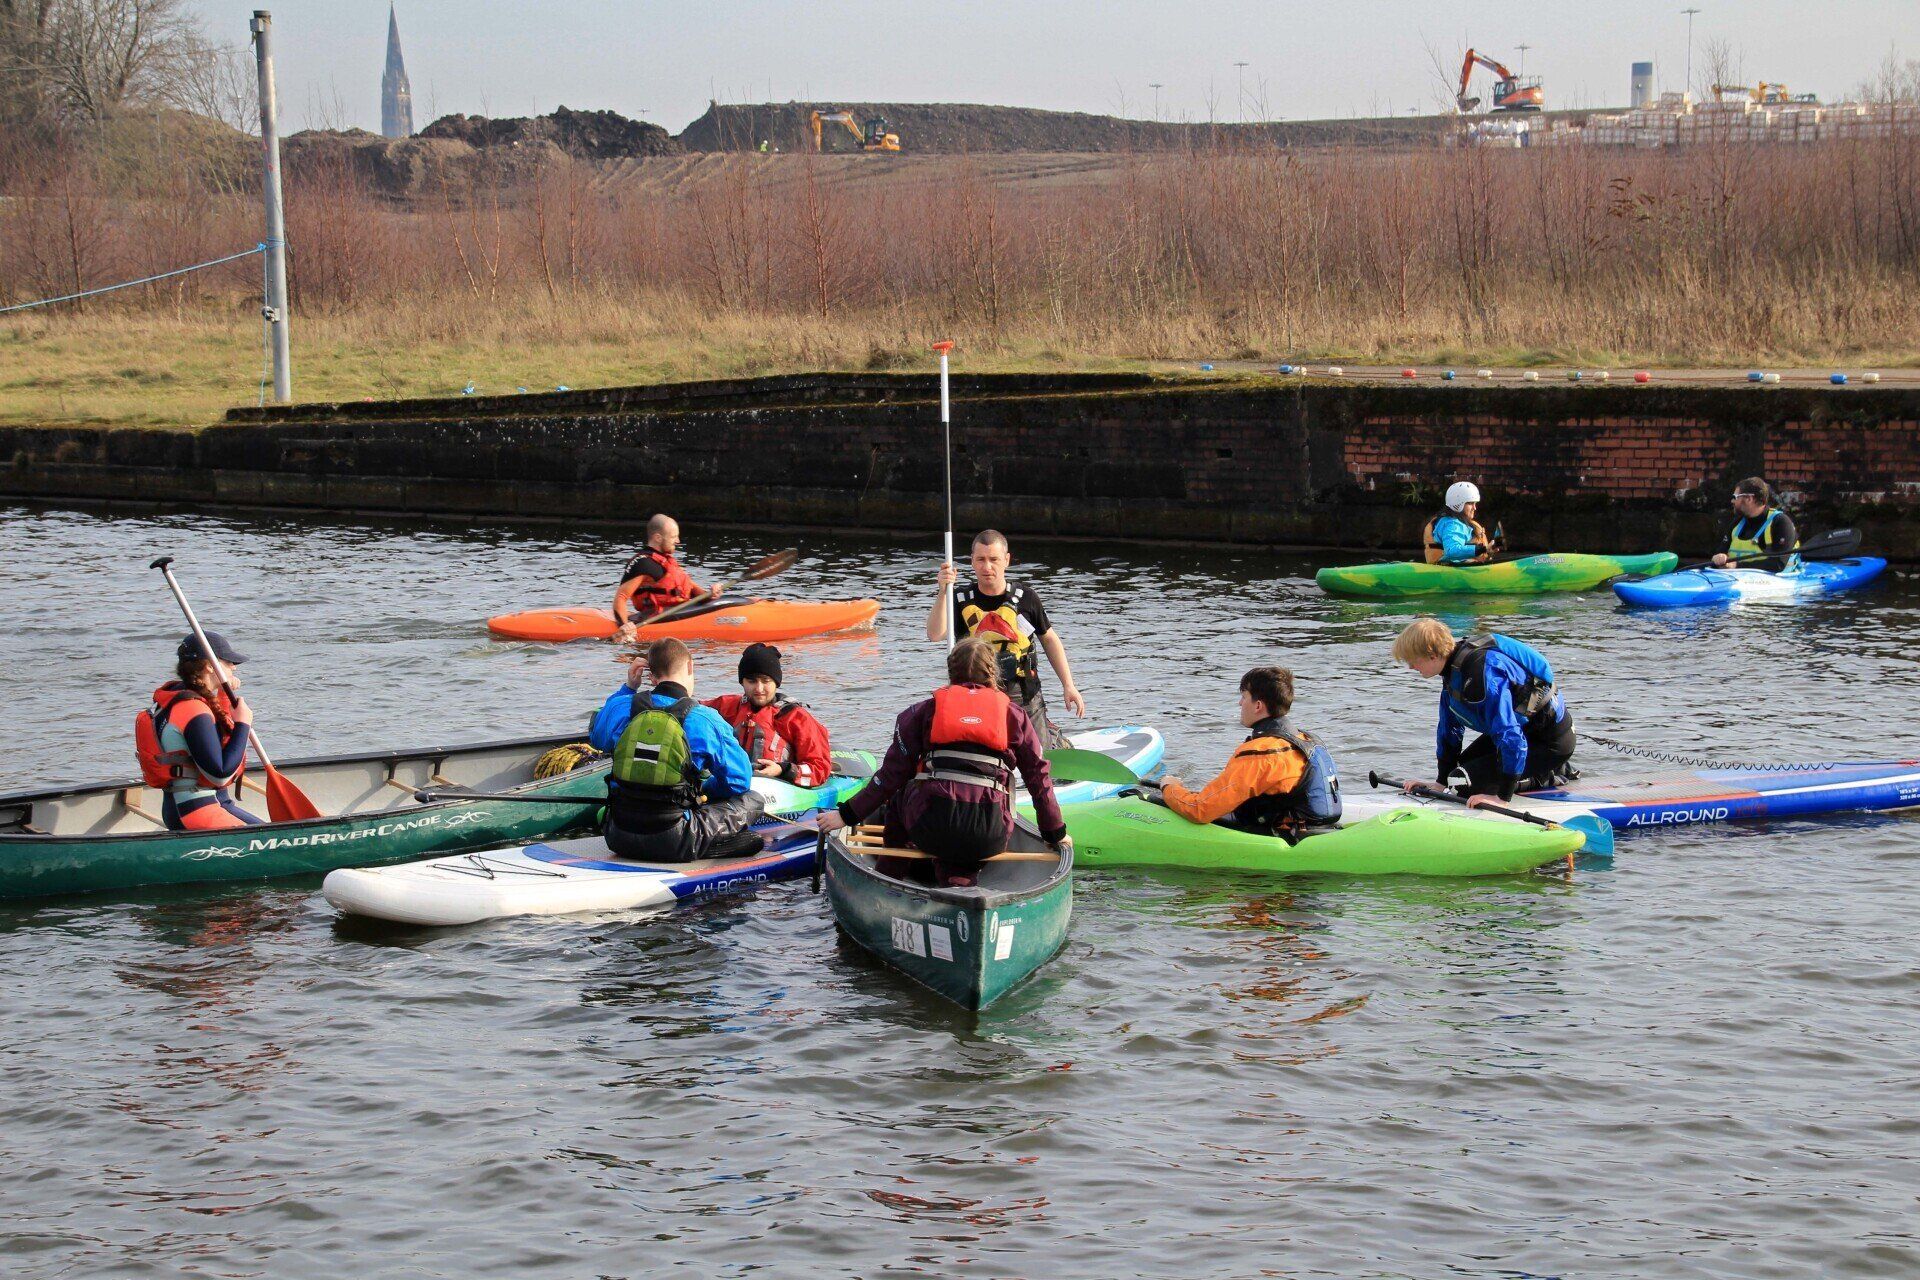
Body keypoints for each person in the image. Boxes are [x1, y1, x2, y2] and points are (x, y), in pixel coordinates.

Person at [817, 638, 1068, 888]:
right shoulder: (1015, 716)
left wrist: (847, 815)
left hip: (930, 828)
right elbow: (1038, 778)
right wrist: (1054, 832)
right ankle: (959, 880)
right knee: (968, 821)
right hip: (990, 833)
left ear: (951, 673)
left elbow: (891, 775)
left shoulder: (923, 711)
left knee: (900, 793)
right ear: (993, 673)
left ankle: (888, 875)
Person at [588, 638, 765, 862]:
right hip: (674, 840)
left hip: (616, 835)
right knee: (754, 799)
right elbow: (739, 781)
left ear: (650, 675)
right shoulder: (704, 718)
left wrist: (629, 688)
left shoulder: (621, 706)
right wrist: (702, 791)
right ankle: (701, 847)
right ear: (690, 667)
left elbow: (596, 736)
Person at [925, 529, 1085, 749]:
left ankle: (1053, 738)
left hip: (1023, 692)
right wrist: (943, 592)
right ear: (971, 561)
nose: (987, 567)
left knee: (1038, 755)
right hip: (976, 694)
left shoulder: (1026, 598)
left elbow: (1049, 639)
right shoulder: (958, 599)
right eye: (980, 559)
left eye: (994, 559)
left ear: (1006, 560)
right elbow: (935, 634)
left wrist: (1069, 686)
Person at [1393, 617, 1577, 805]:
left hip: (1549, 742)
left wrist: (1502, 797)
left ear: (1432, 654)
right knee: (1454, 775)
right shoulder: (1453, 669)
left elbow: (1510, 734)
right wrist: (1440, 782)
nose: (1411, 666)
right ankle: (1532, 770)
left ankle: (1547, 775)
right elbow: (1449, 730)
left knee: (1461, 782)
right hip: (1525, 732)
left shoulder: (1481, 674)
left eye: (1413, 660)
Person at [1157, 667, 1343, 841]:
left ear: (1258, 706)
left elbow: (1199, 809)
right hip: (1317, 829)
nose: (1240, 703)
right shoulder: (1309, 740)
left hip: (1283, 837)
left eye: (1244, 697)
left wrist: (1169, 787)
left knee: (1157, 803)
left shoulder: (1262, 752)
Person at [135, 632, 263, 831]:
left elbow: (211, 740)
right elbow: (219, 776)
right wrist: (243, 725)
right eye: (228, 662)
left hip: (183, 807)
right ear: (210, 666)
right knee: (280, 842)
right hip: (199, 812)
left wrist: (223, 694)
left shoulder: (176, 696)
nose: (234, 667)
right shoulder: (193, 710)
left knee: (267, 829)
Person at [703, 643, 833, 788]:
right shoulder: (727, 706)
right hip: (732, 784)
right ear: (742, 682)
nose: (759, 689)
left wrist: (782, 769)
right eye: (752, 681)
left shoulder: (796, 718)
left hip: (776, 786)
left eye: (766, 681)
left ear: (776, 683)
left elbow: (819, 768)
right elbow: (688, 708)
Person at [612, 514, 718, 642]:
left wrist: (712, 594)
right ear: (658, 538)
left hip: (681, 613)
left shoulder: (668, 562)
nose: (678, 541)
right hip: (657, 619)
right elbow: (621, 597)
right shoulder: (642, 563)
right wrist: (624, 626)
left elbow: (694, 591)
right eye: (673, 537)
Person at [1711, 477, 1800, 572]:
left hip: (1780, 583)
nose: (1732, 501)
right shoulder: (1737, 523)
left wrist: (1736, 566)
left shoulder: (1781, 522)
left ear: (1749, 499)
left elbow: (1778, 564)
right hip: (1740, 581)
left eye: (1735, 497)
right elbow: (1721, 551)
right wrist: (1719, 557)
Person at [1423, 481, 1497, 565]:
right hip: (1449, 571)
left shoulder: (1452, 522)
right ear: (1458, 504)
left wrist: (1488, 551)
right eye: (1470, 503)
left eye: (1475, 503)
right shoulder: (1452, 525)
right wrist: (1482, 549)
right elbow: (1452, 551)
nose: (1474, 508)